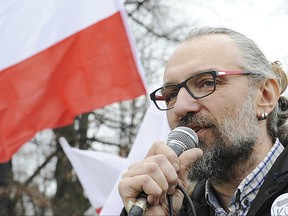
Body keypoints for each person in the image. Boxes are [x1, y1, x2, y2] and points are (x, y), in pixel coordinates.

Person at [118, 27, 288, 215]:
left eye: (207, 82)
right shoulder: (173, 208)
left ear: (264, 96)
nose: (180, 107)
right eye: (171, 95)